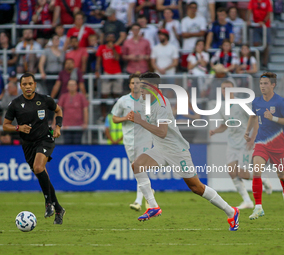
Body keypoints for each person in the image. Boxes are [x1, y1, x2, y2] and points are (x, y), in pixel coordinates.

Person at [127, 72, 239, 231]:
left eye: (144, 86)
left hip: (176, 151)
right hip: (160, 149)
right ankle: (153, 207)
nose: (140, 89)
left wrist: (139, 121)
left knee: (197, 188)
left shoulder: (162, 105)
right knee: (137, 165)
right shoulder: (147, 102)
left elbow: (162, 132)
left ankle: (231, 211)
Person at [3, 72, 66, 224]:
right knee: (41, 174)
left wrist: (58, 127)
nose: (28, 87)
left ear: (35, 85)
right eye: (24, 84)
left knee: (38, 168)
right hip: (28, 145)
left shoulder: (44, 100)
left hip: (45, 140)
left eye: (30, 84)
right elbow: (5, 125)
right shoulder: (15, 104)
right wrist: (18, 128)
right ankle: (58, 208)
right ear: (20, 86)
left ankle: (48, 203)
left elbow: (58, 110)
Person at [210, 80, 272, 210]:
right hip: (232, 144)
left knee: (243, 174)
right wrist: (215, 131)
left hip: (245, 143)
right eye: (223, 89)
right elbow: (224, 125)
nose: (225, 91)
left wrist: (253, 137)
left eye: (228, 88)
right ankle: (247, 201)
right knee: (232, 172)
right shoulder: (221, 107)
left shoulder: (241, 104)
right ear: (221, 91)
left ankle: (264, 180)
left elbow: (254, 118)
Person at [244, 72, 284, 220]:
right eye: (261, 84)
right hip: (261, 143)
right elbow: (253, 116)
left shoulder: (280, 102)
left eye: (266, 83)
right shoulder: (257, 102)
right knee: (256, 171)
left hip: (279, 145)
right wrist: (247, 131)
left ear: (273, 85)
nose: (262, 86)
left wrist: (272, 117)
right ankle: (258, 207)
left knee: (281, 176)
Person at [111, 73, 152, 211]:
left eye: (138, 83)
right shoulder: (123, 101)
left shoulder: (147, 100)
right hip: (129, 139)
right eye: (133, 83)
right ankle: (148, 192)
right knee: (137, 168)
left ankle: (138, 201)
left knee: (139, 167)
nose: (136, 85)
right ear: (130, 85)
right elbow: (114, 118)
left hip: (145, 138)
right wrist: (126, 118)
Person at [95, 33, 123, 119]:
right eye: (109, 37)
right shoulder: (101, 48)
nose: (110, 39)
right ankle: (103, 115)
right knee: (104, 94)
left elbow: (117, 58)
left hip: (117, 72)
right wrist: (96, 70)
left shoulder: (117, 47)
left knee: (116, 95)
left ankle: (116, 114)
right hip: (106, 72)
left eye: (112, 37)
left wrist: (113, 48)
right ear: (106, 38)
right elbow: (98, 60)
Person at [58, 80, 89, 144]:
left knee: (77, 145)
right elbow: (58, 110)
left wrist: (85, 123)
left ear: (76, 86)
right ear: (67, 87)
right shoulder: (63, 96)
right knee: (67, 145)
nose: (72, 87)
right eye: (70, 85)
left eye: (73, 85)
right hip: (66, 127)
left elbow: (85, 110)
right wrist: (56, 123)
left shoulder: (81, 96)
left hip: (78, 126)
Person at [180, 2, 207, 69]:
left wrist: (189, 34)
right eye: (191, 7)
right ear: (188, 8)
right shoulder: (184, 20)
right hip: (187, 48)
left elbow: (203, 33)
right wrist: (197, 33)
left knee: (200, 66)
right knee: (186, 67)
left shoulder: (201, 19)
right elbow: (183, 34)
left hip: (199, 48)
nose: (193, 9)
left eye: (195, 8)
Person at [247, 0, 273, 67]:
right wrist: (248, 20)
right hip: (256, 24)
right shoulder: (253, 1)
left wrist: (263, 21)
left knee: (266, 44)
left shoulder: (267, 1)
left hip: (265, 25)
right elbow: (249, 10)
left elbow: (269, 12)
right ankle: (256, 62)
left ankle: (265, 62)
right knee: (255, 43)